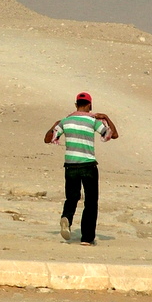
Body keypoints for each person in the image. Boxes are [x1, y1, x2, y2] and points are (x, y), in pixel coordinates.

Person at [44, 92, 118, 245]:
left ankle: (67, 217)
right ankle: (87, 238)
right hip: (88, 165)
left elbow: (47, 139)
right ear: (90, 105)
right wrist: (107, 118)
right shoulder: (92, 121)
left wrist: (56, 124)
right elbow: (114, 135)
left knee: (72, 197)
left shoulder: (66, 121)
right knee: (91, 202)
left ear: (75, 104)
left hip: (70, 166)